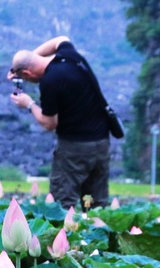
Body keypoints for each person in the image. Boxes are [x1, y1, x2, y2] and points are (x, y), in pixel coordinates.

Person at [8, 35, 111, 210]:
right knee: (95, 203)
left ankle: (68, 236)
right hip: (101, 142)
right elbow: (60, 39)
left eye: (24, 77)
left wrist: (29, 104)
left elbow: (49, 123)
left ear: (27, 73)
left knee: (63, 204)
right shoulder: (70, 56)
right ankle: (97, 234)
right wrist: (27, 59)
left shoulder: (50, 81)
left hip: (74, 149)